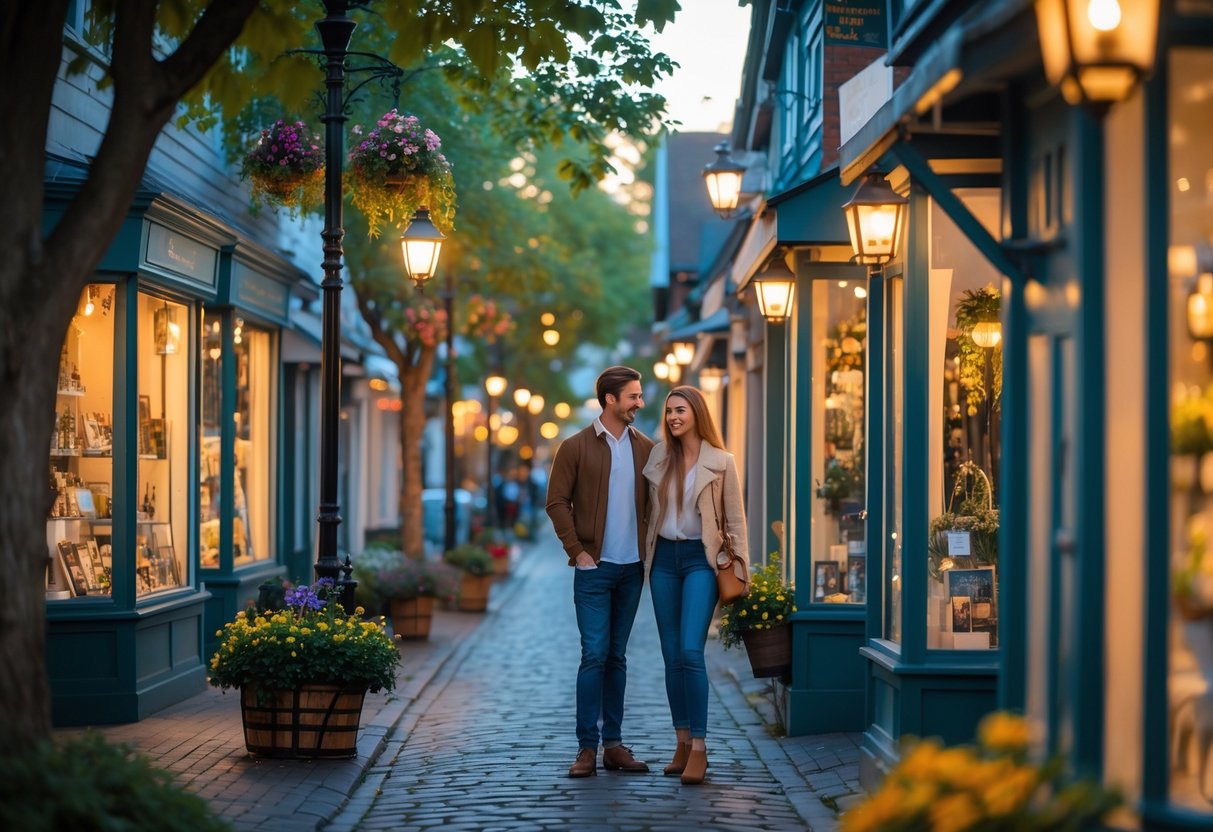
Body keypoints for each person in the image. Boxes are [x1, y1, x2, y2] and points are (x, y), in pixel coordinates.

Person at [546, 366, 653, 778]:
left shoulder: (646, 448)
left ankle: (614, 746)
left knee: (617, 657)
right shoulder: (574, 447)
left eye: (640, 396)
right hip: (594, 570)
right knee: (594, 655)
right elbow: (557, 502)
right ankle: (586, 748)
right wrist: (578, 551)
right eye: (633, 396)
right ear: (611, 399)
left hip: (631, 570)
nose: (640, 404)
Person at [641, 385, 748, 785]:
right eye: (669, 411)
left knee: (690, 650)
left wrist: (743, 572)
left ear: (697, 413)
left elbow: (736, 522)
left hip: (704, 562)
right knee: (671, 655)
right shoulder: (658, 457)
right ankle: (681, 741)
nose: (673, 417)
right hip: (664, 560)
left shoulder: (722, 462)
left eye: (680, 410)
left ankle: (700, 747)